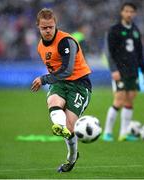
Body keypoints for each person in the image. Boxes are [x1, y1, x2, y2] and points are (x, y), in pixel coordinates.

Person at [31, 8, 92, 172]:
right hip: (59, 83)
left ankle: (72, 158)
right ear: (38, 27)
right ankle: (59, 125)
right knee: (53, 101)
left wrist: (43, 79)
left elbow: (67, 70)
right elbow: (57, 72)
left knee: (70, 129)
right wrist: (49, 80)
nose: (48, 30)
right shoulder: (40, 47)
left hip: (79, 85)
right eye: (44, 28)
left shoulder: (66, 41)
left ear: (55, 24)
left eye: (50, 26)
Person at [102, 2, 144, 141]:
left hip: (133, 71)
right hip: (120, 71)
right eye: (126, 11)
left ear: (134, 14)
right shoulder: (114, 30)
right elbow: (109, 52)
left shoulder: (135, 30)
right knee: (119, 100)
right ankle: (107, 132)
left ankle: (124, 133)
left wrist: (143, 70)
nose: (128, 14)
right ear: (122, 12)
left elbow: (139, 52)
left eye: (131, 11)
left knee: (130, 100)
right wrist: (114, 69)